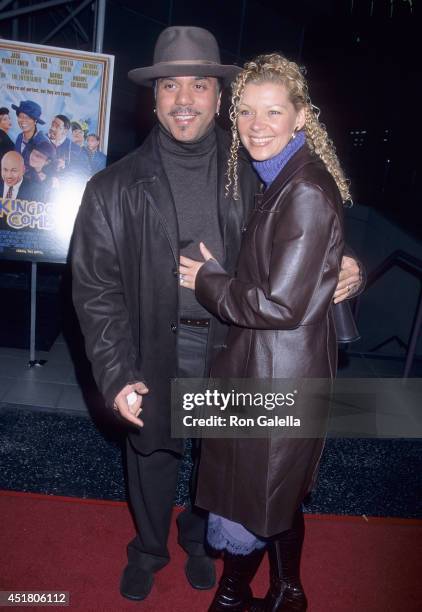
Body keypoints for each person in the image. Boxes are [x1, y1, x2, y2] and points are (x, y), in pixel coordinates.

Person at [71, 27, 362, 603]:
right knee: (152, 454)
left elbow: (303, 232)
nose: (185, 99)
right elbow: (95, 290)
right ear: (152, 99)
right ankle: (149, 549)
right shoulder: (111, 188)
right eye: (171, 86)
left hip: (237, 346)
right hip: (153, 347)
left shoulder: (256, 171)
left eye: (199, 85)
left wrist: (346, 265)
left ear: (218, 96)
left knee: (222, 459)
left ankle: (201, 543)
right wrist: (115, 371)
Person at [179, 53, 352, 612]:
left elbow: (278, 302)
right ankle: (287, 592)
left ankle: (232, 597)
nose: (257, 125)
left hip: (274, 372)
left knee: (248, 495)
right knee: (272, 490)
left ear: (300, 116)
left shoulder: (300, 189)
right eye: (247, 111)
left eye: (273, 111)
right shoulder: (281, 175)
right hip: (271, 364)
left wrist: (207, 281)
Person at [12, 100, 50, 170]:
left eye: (27, 117)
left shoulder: (43, 142)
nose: (23, 120)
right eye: (20, 116)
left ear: (35, 121)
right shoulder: (20, 136)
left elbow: (44, 171)